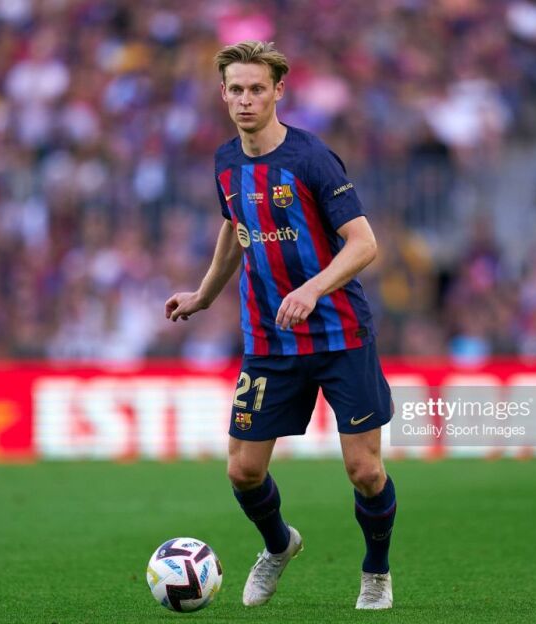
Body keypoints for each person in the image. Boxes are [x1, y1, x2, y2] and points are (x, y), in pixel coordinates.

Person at [164, 40, 396, 610]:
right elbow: (234, 227)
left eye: (256, 89)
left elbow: (364, 243)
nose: (246, 100)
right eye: (236, 90)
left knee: (365, 471)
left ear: (277, 92)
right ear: (223, 95)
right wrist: (204, 294)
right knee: (243, 471)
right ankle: (278, 545)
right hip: (270, 341)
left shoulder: (311, 158)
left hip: (340, 335)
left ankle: (376, 572)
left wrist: (312, 289)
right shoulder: (225, 162)